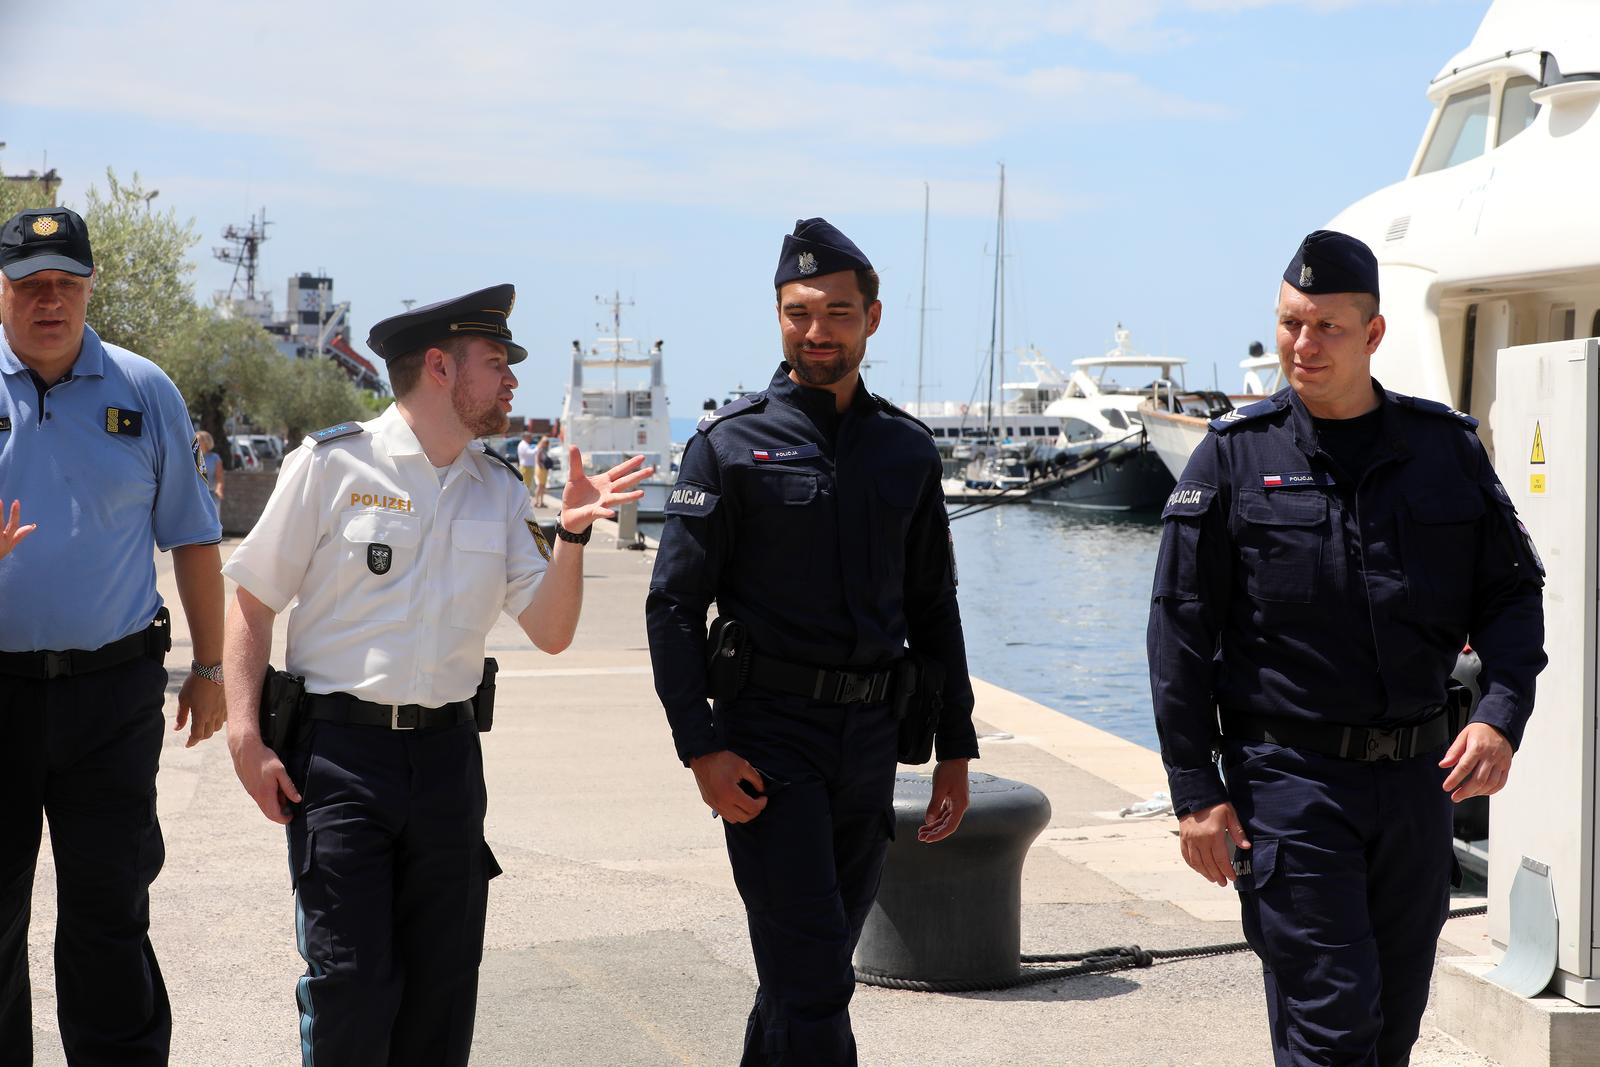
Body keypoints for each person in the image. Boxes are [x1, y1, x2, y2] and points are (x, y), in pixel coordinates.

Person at [221, 284, 650, 1067]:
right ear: (440, 368)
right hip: (341, 761)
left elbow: (551, 631)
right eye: (497, 362)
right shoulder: (332, 464)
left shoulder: (499, 490)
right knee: (351, 992)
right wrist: (244, 735)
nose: (512, 380)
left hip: (448, 765)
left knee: (441, 998)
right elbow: (252, 598)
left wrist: (574, 537)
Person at [1147, 229, 1547, 1065]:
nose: (1303, 344)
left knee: (1390, 1028)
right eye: (1291, 322)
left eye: (1327, 326)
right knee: (1334, 1030)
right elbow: (1178, 630)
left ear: (1373, 334)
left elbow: (1510, 593)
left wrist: (1501, 714)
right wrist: (1195, 790)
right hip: (1290, 785)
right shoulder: (1234, 456)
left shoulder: (1444, 450)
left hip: (1418, 784)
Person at [645, 218, 978, 1066]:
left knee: (806, 973)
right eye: (798, 312)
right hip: (768, 742)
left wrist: (956, 747)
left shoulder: (906, 449)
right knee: (815, 981)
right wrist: (700, 749)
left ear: (873, 317)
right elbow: (673, 605)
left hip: (869, 745)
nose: (816, 330)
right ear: (778, 316)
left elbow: (934, 606)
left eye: (837, 312)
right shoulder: (726, 445)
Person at [0, 206, 227, 1065]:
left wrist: (211, 667)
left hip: (111, 699)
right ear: (1, 291)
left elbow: (194, 540)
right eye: (30, 284)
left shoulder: (145, 390)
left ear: (92, 287)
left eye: (66, 282)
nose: (49, 300)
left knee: (109, 911)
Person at [196, 429, 224, 502]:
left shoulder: (214, 458)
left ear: (206, 442)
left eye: (198, 440)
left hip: (210, 494)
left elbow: (219, 478)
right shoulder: (192, 458)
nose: (195, 443)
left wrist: (219, 490)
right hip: (195, 494)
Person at [533, 434, 552, 508]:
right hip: (541, 469)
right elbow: (537, 459)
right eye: (545, 442)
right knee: (540, 485)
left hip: (544, 469)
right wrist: (541, 466)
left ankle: (541, 502)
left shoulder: (544, 449)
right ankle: (536, 502)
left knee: (543, 486)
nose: (547, 443)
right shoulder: (540, 449)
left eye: (547, 442)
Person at [516, 426, 537, 492]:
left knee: (527, 484)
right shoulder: (523, 445)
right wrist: (538, 447)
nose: (531, 438)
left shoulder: (524, 444)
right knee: (525, 485)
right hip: (526, 467)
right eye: (530, 437)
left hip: (527, 467)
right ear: (526, 437)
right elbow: (531, 453)